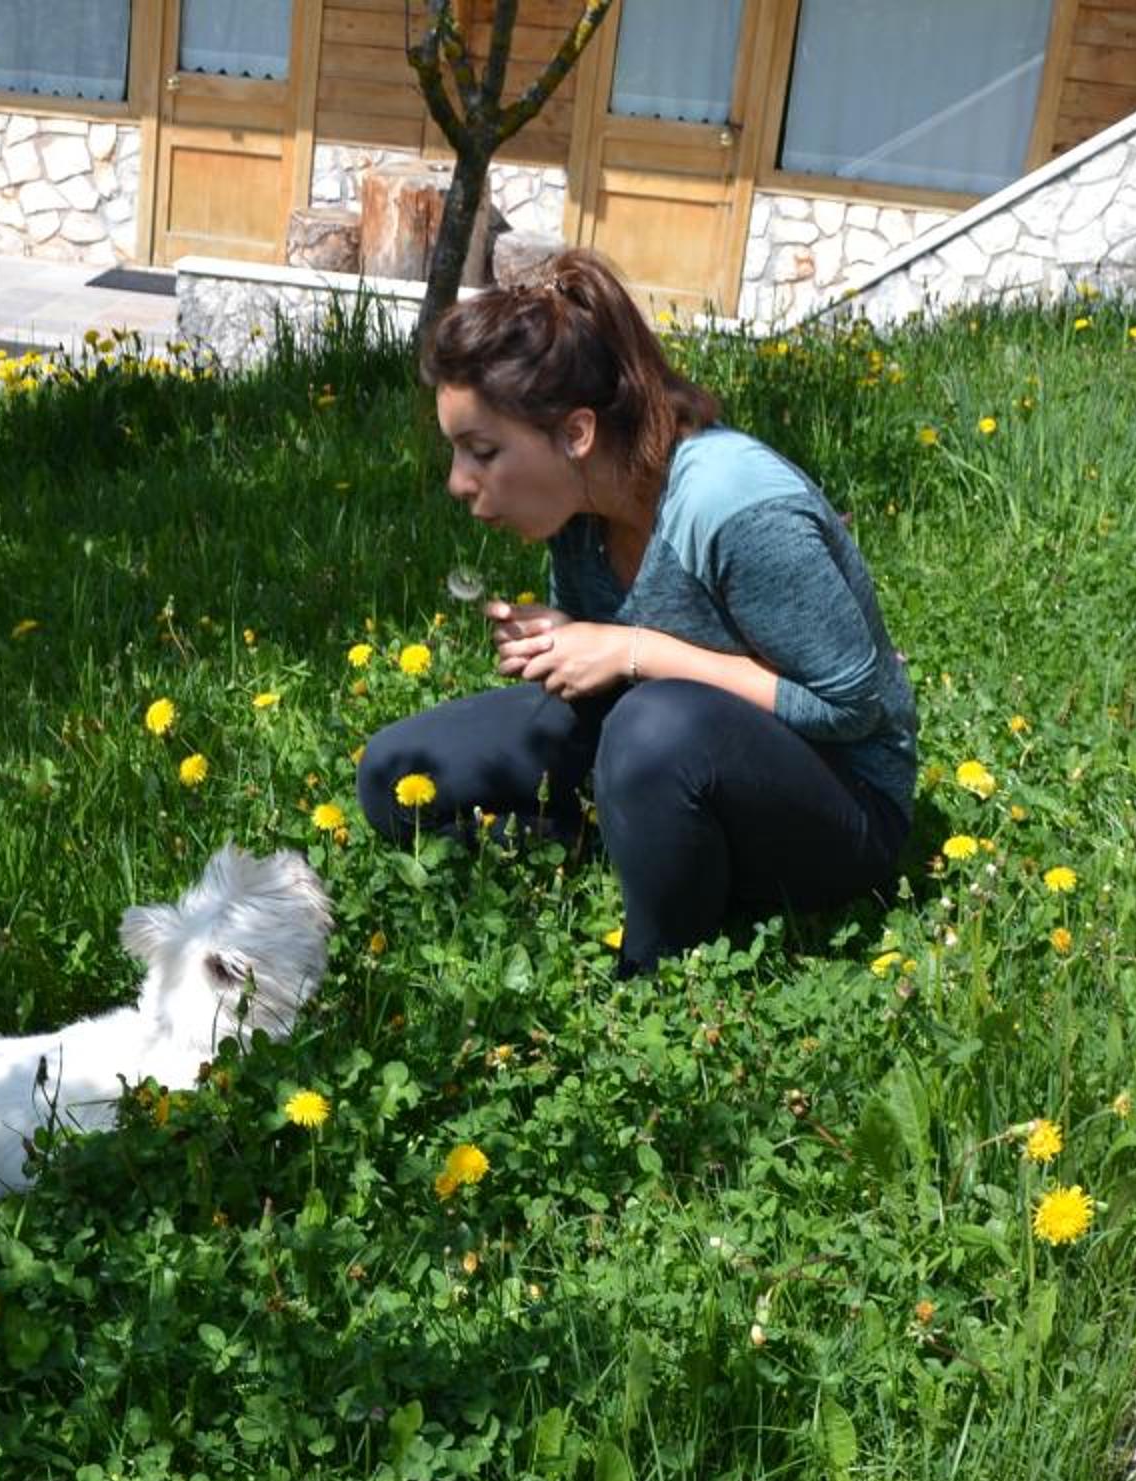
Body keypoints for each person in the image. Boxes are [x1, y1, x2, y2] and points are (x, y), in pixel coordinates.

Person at [356, 249, 918, 976]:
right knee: (395, 776)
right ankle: (615, 848)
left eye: (482, 452)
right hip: (666, 751)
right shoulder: (579, 509)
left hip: (844, 804)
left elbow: (852, 707)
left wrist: (632, 650)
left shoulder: (733, 506)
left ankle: (656, 976)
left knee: (652, 729)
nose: (458, 483)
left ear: (576, 433)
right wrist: (572, 642)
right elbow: (618, 681)